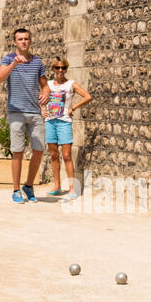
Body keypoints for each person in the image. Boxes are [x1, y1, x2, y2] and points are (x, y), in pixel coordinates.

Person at [0, 28, 50, 204]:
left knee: (39, 150)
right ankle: (16, 190)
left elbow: (45, 85)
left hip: (35, 113)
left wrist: (47, 93)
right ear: (15, 42)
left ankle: (28, 185)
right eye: (20, 39)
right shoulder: (8, 59)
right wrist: (13, 65)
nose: (24, 42)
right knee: (17, 152)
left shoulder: (37, 62)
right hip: (16, 112)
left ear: (30, 41)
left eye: (26, 39)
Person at [43, 56, 92, 197]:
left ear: (66, 69)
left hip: (64, 122)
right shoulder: (48, 84)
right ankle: (57, 186)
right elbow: (40, 98)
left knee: (66, 156)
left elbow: (87, 97)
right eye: (57, 67)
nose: (60, 70)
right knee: (53, 155)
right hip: (50, 122)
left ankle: (71, 188)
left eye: (63, 68)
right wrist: (42, 109)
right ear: (53, 69)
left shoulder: (71, 84)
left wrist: (73, 107)